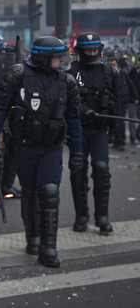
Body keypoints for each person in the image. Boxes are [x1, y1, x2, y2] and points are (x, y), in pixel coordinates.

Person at [0, 36, 82, 268]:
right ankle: (33, 237)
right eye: (58, 57)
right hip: (23, 145)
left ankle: (49, 248)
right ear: (45, 57)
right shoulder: (17, 75)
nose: (62, 61)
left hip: (52, 146)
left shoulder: (66, 81)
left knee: (49, 191)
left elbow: (73, 118)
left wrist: (77, 151)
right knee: (29, 191)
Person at [68, 32, 121, 235]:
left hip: (99, 130)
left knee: (101, 170)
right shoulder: (71, 73)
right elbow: (68, 100)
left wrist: (111, 122)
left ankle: (102, 217)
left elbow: (118, 101)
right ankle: (81, 216)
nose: (91, 53)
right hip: (78, 130)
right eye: (87, 50)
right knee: (78, 170)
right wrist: (84, 110)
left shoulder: (110, 73)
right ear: (80, 51)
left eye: (94, 49)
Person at [107, 56, 138, 151]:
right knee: (113, 121)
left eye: (114, 64)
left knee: (120, 121)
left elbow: (131, 84)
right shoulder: (107, 74)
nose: (113, 66)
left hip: (123, 100)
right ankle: (116, 141)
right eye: (111, 65)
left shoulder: (122, 73)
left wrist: (136, 97)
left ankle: (121, 142)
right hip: (112, 101)